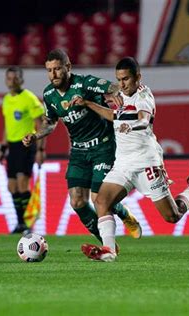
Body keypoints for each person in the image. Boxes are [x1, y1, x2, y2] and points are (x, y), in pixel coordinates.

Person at [77, 57, 189, 261]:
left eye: (126, 79)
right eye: (119, 79)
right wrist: (88, 103)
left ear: (138, 77)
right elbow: (115, 116)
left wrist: (131, 126)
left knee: (172, 216)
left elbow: (143, 119)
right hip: (123, 163)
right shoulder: (121, 96)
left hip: (146, 162)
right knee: (101, 200)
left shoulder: (144, 96)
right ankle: (109, 250)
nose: (122, 84)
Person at [22, 49, 142, 244]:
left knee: (98, 198)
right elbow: (50, 122)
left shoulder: (84, 83)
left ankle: (123, 213)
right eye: (49, 70)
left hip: (103, 147)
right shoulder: (49, 94)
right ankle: (104, 241)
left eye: (58, 69)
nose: (53, 74)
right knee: (77, 201)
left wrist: (113, 93)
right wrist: (36, 135)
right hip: (78, 151)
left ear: (68, 67)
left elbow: (111, 86)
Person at [0, 66, 46, 234]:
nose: (12, 82)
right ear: (6, 80)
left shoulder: (29, 98)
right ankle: (20, 223)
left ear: (21, 80)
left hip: (26, 144)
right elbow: (7, 125)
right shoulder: (6, 100)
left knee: (23, 184)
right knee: (12, 186)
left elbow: (41, 124)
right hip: (12, 146)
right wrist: (2, 147)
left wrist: (40, 149)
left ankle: (27, 223)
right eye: (9, 78)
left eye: (15, 78)